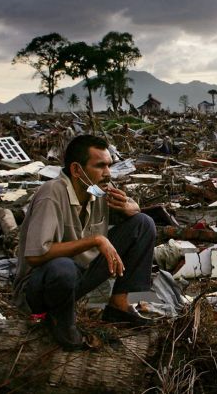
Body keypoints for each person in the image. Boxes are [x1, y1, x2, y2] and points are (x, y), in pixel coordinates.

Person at [12, 135, 156, 350]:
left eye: (109, 165)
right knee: (62, 266)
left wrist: (130, 208)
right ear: (77, 170)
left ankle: (120, 305)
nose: (108, 173)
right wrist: (96, 240)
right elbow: (35, 255)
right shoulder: (52, 193)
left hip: (78, 278)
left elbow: (133, 210)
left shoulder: (94, 189)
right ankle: (61, 323)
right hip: (40, 288)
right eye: (100, 166)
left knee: (143, 223)